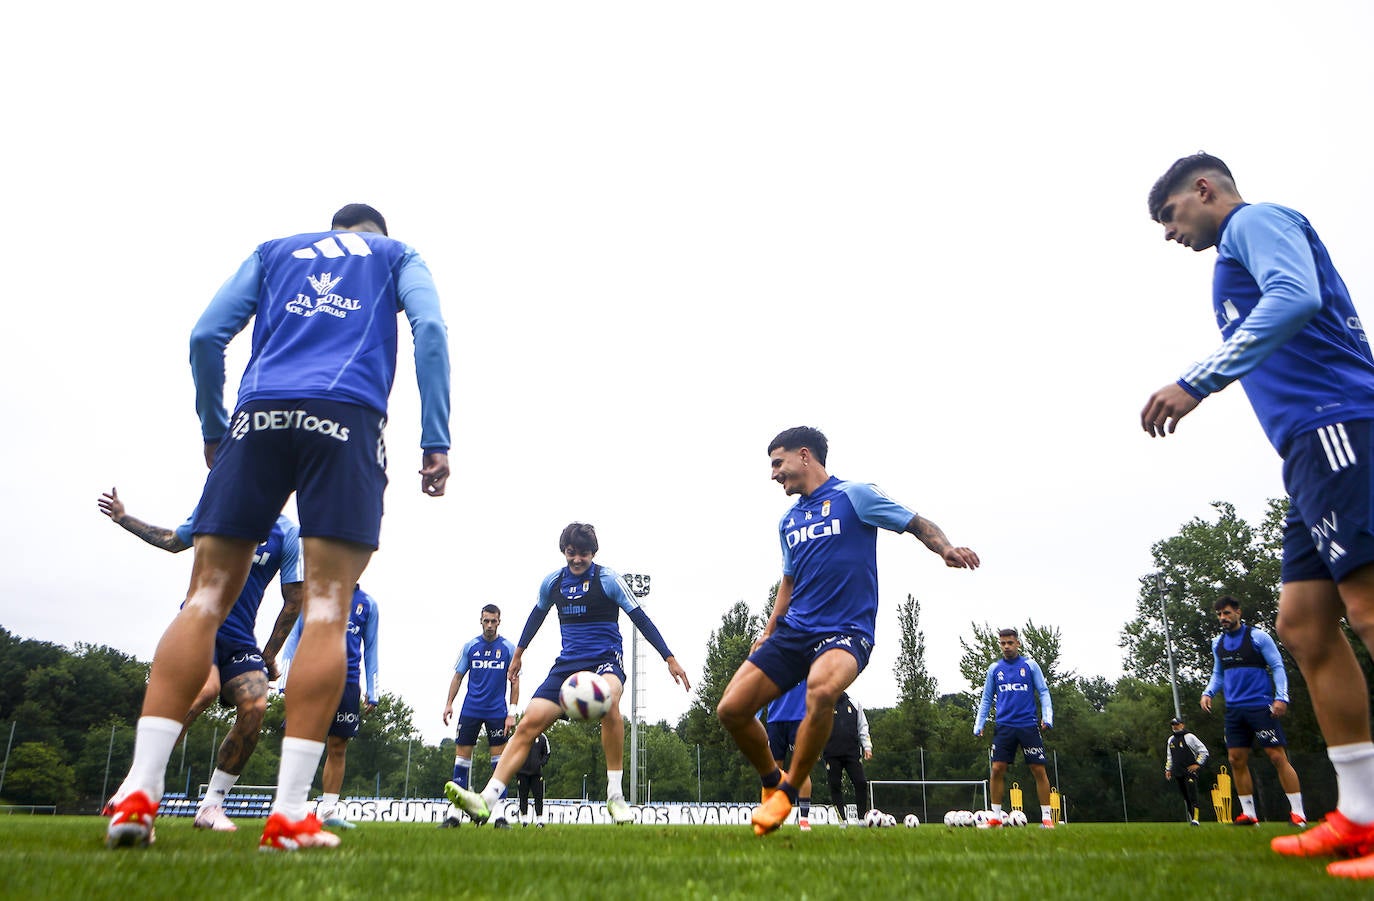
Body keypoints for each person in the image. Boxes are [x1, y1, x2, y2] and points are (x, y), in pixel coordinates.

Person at [104, 204, 450, 853]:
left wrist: (215, 426)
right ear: (374, 231)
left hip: (256, 414)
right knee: (326, 608)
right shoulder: (397, 254)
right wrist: (436, 438)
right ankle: (290, 812)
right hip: (345, 416)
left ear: (333, 226)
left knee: (203, 596)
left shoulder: (275, 251)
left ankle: (138, 793)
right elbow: (429, 328)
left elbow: (206, 337)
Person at [1143, 152, 1374, 879]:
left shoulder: (1257, 222)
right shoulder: (1227, 262)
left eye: (1172, 215)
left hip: (1340, 425)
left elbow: (1297, 295)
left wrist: (1198, 379)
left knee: (1368, 609)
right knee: (1304, 626)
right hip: (1307, 450)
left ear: (1204, 190)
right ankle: (1361, 817)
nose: (1170, 233)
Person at [716, 426, 980, 836]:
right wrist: (768, 632)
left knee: (821, 690)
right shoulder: (789, 520)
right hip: (793, 632)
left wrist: (945, 548)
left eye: (777, 463)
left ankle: (787, 794)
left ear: (805, 456)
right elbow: (788, 582)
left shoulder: (854, 496)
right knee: (731, 709)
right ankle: (773, 784)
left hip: (845, 630)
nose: (773, 474)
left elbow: (915, 523)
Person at [446, 522, 690, 827]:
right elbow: (536, 616)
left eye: (584, 554)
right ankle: (487, 799)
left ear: (593, 553)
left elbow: (640, 617)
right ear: (564, 551)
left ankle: (615, 797)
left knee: (610, 700)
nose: (577, 559)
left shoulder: (608, 579)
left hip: (605, 660)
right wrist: (518, 654)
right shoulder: (553, 583)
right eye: (572, 553)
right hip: (567, 666)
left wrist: (669, 658)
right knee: (528, 724)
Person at [97, 488, 302, 832]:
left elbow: (294, 599)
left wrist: (268, 656)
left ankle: (211, 807)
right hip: (199, 628)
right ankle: (135, 786)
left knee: (256, 707)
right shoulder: (219, 505)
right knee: (204, 691)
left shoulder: (287, 532)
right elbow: (172, 540)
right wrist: (123, 518)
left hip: (240, 640)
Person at [1200, 596, 1307, 826]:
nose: (1223, 618)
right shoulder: (1217, 643)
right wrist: (1208, 692)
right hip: (1234, 711)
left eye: (1227, 613)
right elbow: (1218, 673)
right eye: (1219, 614)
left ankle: (1298, 813)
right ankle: (1249, 815)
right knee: (1235, 759)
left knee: (1277, 756)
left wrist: (1281, 697)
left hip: (1260, 706)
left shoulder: (1258, 637)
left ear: (1238, 612)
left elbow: (1277, 666)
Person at [280, 584, 379, 829]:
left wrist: (373, 689)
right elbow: (295, 636)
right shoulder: (314, 595)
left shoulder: (368, 604)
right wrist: (285, 680)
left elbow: (371, 648)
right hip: (311, 677)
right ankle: (290, 809)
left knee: (338, 746)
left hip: (347, 682)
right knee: (302, 742)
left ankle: (329, 810)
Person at [440, 604, 519, 826]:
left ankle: (499, 815)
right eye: (486, 621)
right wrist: (448, 704)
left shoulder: (508, 649)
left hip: (497, 712)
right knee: (461, 761)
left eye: (494, 621)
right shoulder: (470, 647)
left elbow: (515, 682)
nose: (490, 625)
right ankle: (455, 815)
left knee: (499, 762)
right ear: (481, 621)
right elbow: (458, 677)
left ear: (499, 622)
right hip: (471, 710)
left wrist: (511, 713)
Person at [974, 628, 1055, 828]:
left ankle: (1046, 818)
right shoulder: (994, 669)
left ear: (1018, 643)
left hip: (1028, 725)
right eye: (1003, 643)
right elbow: (986, 699)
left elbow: (1043, 691)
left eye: (1010, 643)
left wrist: (1047, 717)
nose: (1006, 647)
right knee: (997, 769)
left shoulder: (1030, 665)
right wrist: (979, 723)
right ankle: (995, 817)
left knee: (1038, 769)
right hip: (1004, 726)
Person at [764, 679, 815, 830]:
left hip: (799, 719)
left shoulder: (806, 657)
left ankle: (804, 819)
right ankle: (776, 817)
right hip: (775, 720)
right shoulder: (772, 658)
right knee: (775, 771)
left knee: (801, 769)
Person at [822, 691, 872, 826]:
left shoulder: (854, 704)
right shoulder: (824, 704)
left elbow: (863, 726)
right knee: (835, 785)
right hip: (831, 754)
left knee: (861, 782)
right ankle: (842, 820)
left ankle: (862, 818)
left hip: (852, 753)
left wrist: (867, 746)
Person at [1164, 716, 1209, 826]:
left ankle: (1196, 819)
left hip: (1189, 772)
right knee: (1186, 797)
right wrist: (1168, 769)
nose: (1175, 727)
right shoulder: (1171, 740)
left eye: (1177, 724)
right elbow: (1170, 757)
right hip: (1178, 772)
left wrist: (1197, 764)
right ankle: (1192, 817)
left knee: (1192, 795)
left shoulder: (1189, 737)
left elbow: (1203, 751)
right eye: (1173, 725)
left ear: (1182, 725)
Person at [516, 732, 551, 827]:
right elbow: (512, 750)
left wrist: (541, 763)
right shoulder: (520, 734)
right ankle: (524, 820)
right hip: (522, 773)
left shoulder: (542, 737)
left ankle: (539, 820)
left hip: (536, 773)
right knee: (523, 797)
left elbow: (547, 753)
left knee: (538, 797)